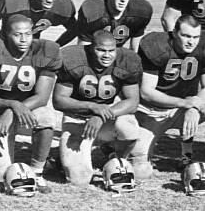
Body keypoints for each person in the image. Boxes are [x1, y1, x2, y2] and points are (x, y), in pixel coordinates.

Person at [0, 14, 62, 193]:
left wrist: (13, 110)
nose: (23, 39)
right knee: (1, 177)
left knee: (46, 117)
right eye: (17, 34)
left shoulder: (45, 51)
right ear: (5, 35)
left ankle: (37, 172)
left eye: (28, 34)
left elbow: (42, 98)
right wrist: (12, 105)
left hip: (28, 108)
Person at [131, 15, 205, 177]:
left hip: (185, 107)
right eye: (186, 36)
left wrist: (194, 106)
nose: (191, 41)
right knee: (140, 171)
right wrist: (184, 103)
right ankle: (114, 146)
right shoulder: (156, 46)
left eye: (195, 37)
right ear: (174, 33)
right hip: (155, 111)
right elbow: (147, 91)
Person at [53, 30, 144, 185]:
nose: (107, 55)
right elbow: (59, 100)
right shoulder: (74, 58)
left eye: (111, 51)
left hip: (107, 117)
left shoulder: (127, 60)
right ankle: (59, 159)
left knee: (129, 126)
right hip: (78, 119)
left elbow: (132, 102)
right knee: (79, 179)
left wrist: (101, 115)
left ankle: (116, 158)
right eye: (101, 50)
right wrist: (92, 107)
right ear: (90, 48)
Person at [76, 0, 152, 51]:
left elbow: (135, 49)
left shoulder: (138, 12)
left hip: (117, 53)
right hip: (96, 54)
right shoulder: (93, 12)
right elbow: (83, 50)